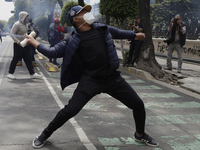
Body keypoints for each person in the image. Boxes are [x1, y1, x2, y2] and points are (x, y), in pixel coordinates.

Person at [27, 5, 159, 148]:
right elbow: (52, 52)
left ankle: (140, 134)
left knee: (138, 104)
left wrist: (134, 35)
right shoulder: (71, 39)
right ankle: (44, 134)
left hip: (112, 78)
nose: (87, 13)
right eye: (83, 12)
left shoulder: (101, 28)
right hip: (90, 81)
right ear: (76, 19)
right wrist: (34, 42)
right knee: (70, 110)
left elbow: (118, 33)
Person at [7, 11, 42, 80]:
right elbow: (12, 34)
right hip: (19, 45)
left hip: (26, 44)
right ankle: (10, 73)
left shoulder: (27, 24)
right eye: (27, 16)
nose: (28, 18)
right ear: (23, 16)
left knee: (28, 59)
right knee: (16, 59)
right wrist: (18, 42)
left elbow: (29, 32)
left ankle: (32, 74)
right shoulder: (17, 24)